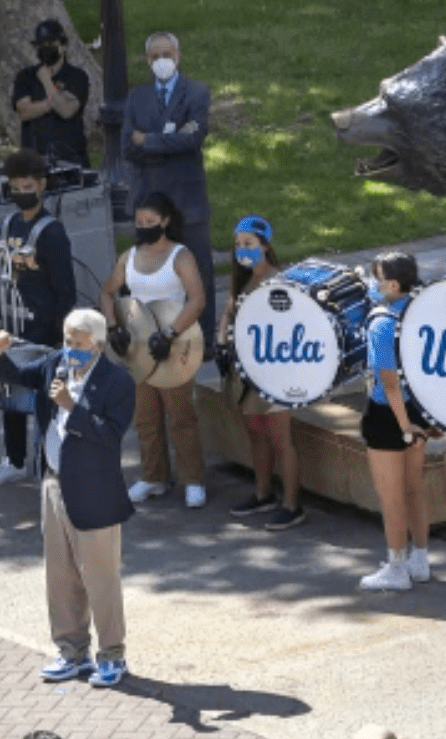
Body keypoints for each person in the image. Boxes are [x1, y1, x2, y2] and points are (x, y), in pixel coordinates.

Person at [0, 310, 135, 688]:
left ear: (98, 346)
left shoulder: (118, 382)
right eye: (67, 341)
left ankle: (112, 656)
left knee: (100, 578)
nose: (70, 349)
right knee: (60, 574)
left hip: (95, 491)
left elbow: (111, 434)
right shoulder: (55, 364)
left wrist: (72, 407)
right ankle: (72, 651)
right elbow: (20, 377)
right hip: (54, 485)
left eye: (78, 343)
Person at [101, 192, 208, 510]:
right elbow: (107, 292)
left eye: (150, 222)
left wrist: (171, 332)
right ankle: (154, 476)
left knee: (180, 415)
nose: (143, 227)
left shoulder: (181, 256)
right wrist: (112, 327)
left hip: (174, 346)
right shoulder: (129, 257)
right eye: (138, 222)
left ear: (165, 221)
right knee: (146, 416)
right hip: (139, 347)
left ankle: (193, 480)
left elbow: (197, 299)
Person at [0, 148, 74, 490]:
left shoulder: (52, 233)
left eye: (28, 186)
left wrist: (61, 334)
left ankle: (52, 462)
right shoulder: (8, 224)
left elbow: (66, 289)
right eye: (16, 187)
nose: (22, 193)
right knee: (8, 389)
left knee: (45, 399)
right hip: (13, 323)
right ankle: (14, 459)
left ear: (42, 185)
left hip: (43, 325)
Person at [123, 31, 216, 349]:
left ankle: (204, 344)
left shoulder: (196, 93)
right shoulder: (137, 97)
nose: (162, 60)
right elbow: (126, 146)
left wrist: (147, 140)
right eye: (155, 56)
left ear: (178, 55)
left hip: (186, 199)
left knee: (198, 269)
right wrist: (172, 137)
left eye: (167, 54)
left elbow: (194, 138)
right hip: (150, 198)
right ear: (147, 60)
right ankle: (152, 338)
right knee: (151, 272)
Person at [218, 215, 304, 528]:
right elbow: (230, 311)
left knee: (281, 439)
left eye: (250, 244)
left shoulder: (277, 282)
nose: (243, 250)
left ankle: (293, 504)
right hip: (243, 370)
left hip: (274, 372)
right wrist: (222, 341)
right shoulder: (242, 280)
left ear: (265, 247)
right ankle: (263, 493)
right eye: (239, 244)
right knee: (255, 433)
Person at [358, 252, 433, 593]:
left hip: (390, 417)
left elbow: (389, 383)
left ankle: (397, 567)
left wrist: (403, 427)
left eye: (376, 278)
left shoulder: (382, 323)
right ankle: (420, 559)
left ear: (390, 284)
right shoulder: (422, 313)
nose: (372, 284)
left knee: (391, 497)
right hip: (418, 408)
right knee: (414, 488)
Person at [12, 18, 91, 166]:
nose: (44, 48)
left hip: (71, 158)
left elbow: (67, 110)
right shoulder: (26, 76)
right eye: (40, 45)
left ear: (63, 46)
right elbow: (24, 111)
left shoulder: (77, 76)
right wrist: (50, 104)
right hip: (35, 160)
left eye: (50, 44)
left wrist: (47, 82)